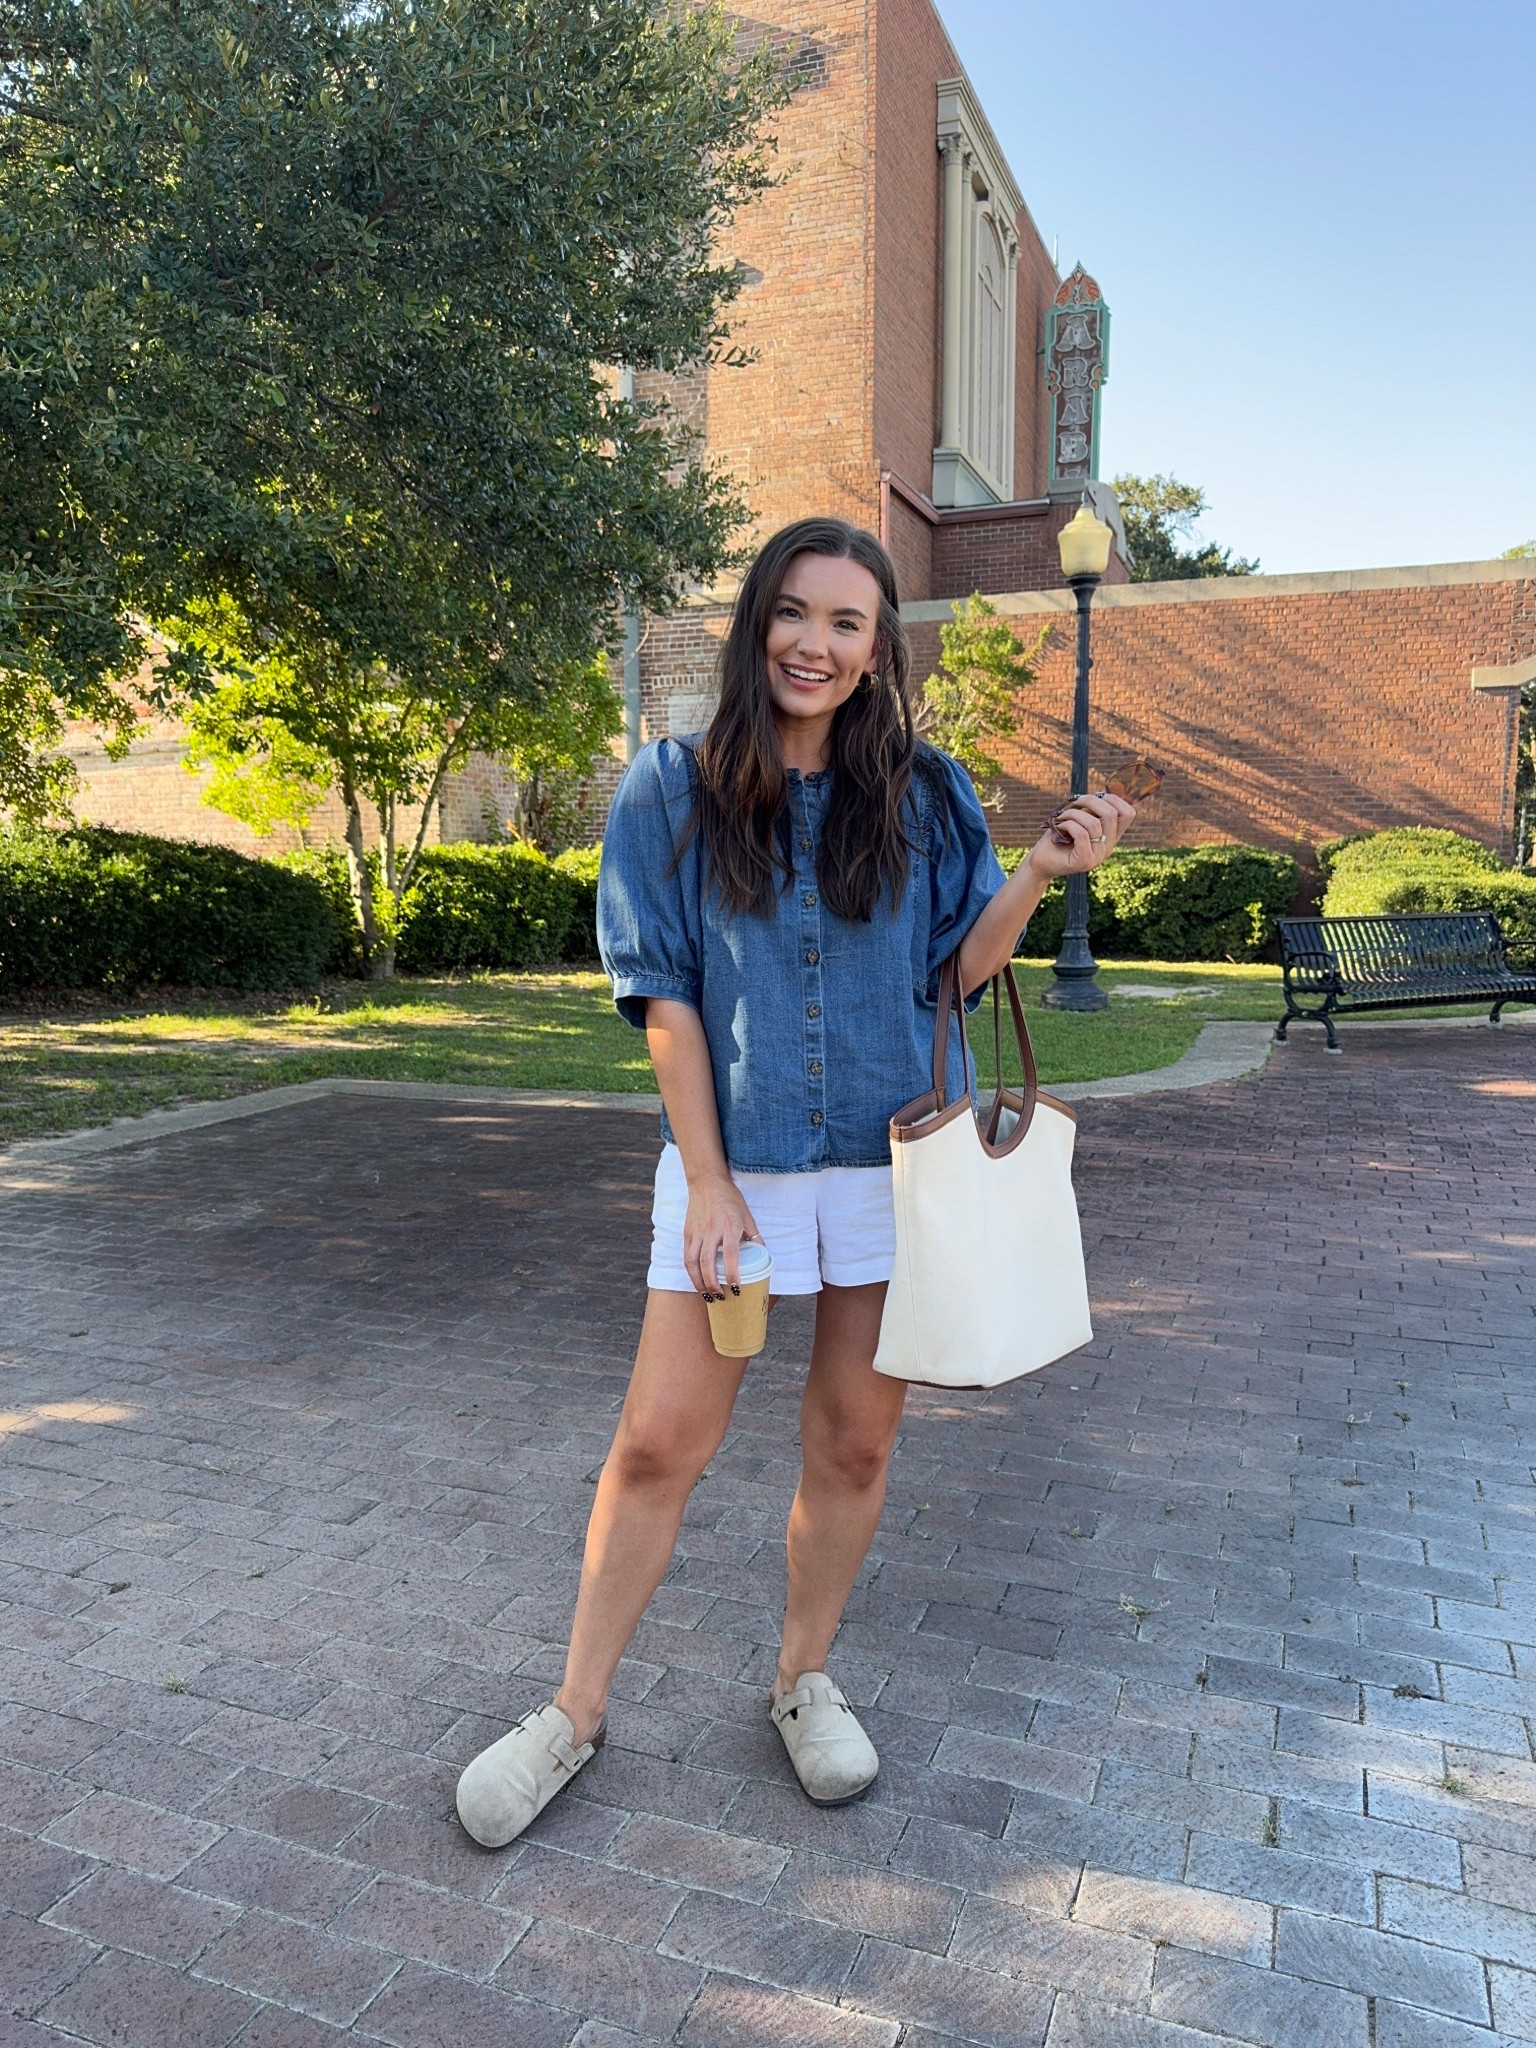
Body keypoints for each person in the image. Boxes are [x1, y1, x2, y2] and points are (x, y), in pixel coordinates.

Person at [455, 517, 1134, 1848]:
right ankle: (573, 1714)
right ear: (756, 620)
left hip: (890, 1171)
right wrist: (709, 1184)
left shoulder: (925, 794)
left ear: (877, 651)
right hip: (737, 1177)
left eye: (846, 623)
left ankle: (802, 1678)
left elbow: (956, 973)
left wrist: (1041, 875)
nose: (814, 644)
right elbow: (663, 996)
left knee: (854, 1444)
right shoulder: (672, 788)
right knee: (660, 1443)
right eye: (794, 613)